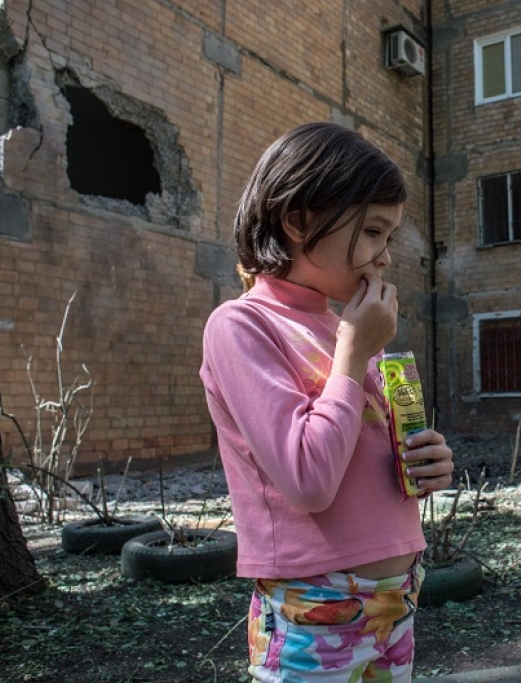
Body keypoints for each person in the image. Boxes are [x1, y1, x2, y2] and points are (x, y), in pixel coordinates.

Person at [200, 122, 454, 683]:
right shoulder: (241, 325)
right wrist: (354, 351)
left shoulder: (347, 332)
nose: (384, 257)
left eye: (389, 236)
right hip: (314, 605)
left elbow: (360, 457)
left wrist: (425, 461)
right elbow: (310, 480)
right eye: (372, 231)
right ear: (298, 221)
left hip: (396, 600)